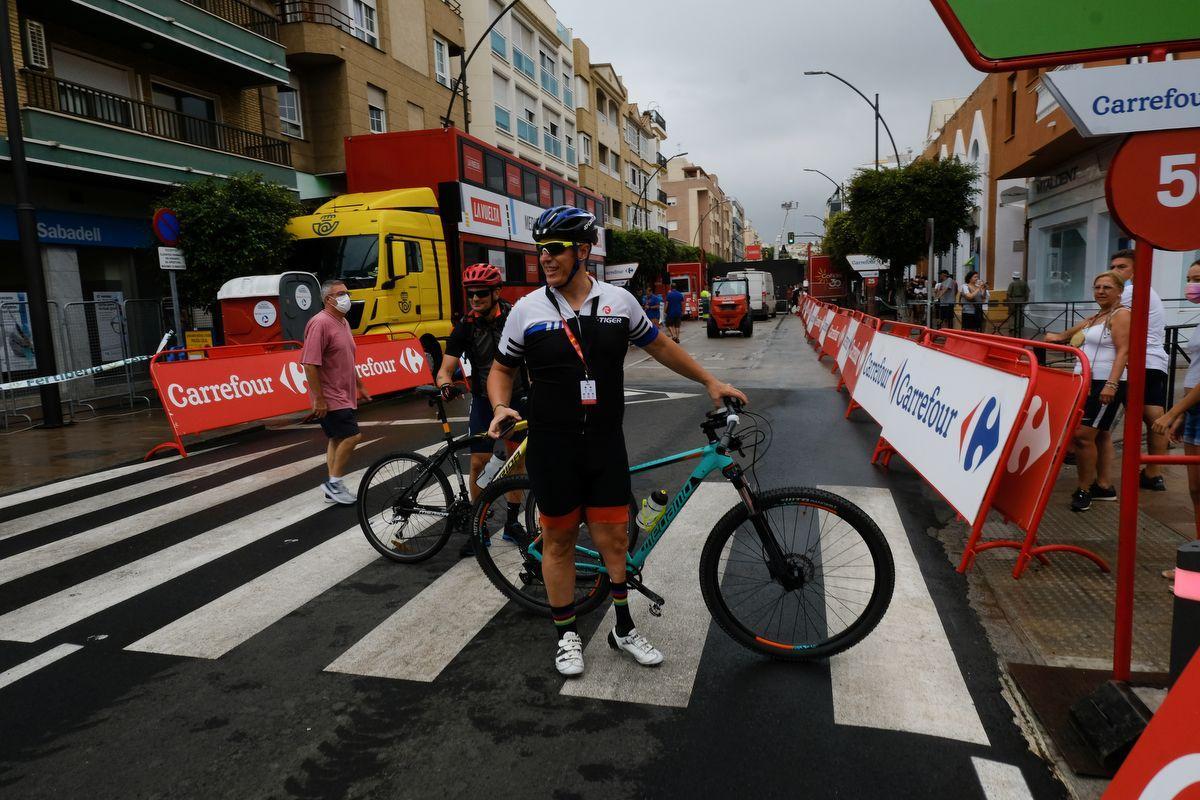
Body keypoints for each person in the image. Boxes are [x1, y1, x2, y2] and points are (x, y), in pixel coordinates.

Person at [486, 205, 748, 677]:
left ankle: (623, 628)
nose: (545, 258)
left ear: (583, 251)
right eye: (540, 250)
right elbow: (502, 369)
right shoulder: (527, 310)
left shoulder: (618, 302)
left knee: (613, 539)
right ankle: (567, 633)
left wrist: (710, 381)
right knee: (559, 540)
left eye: (555, 249)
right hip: (552, 445)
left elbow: (660, 346)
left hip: (604, 442)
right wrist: (501, 405)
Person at [436, 263, 527, 557]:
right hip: (484, 402)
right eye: (471, 294)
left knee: (516, 461)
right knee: (478, 463)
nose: (475, 299)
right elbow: (444, 370)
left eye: (482, 293)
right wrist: (445, 385)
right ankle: (480, 527)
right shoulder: (466, 326)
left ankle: (512, 523)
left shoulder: (515, 317)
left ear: (497, 292)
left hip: (517, 399)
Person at [1046, 271, 1130, 512]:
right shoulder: (1098, 316)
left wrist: (1111, 384)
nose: (1101, 291)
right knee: (1099, 435)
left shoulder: (1122, 314)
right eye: (1097, 287)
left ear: (1119, 291)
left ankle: (1084, 489)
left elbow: (1123, 351)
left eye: (1107, 287)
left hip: (1104, 382)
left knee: (1083, 436)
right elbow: (1068, 335)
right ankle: (1103, 486)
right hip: (1085, 381)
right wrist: (1057, 337)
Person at [1151, 259, 1200, 579]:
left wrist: (1173, 412)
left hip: (1193, 406)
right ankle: (1197, 559)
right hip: (1194, 408)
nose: (1192, 286)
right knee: (1196, 490)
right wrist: (1184, 413)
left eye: (1198, 279)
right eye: (1190, 278)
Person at [301, 279, 370, 505]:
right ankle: (334, 484)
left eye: (346, 293)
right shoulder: (320, 323)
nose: (346, 297)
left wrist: (359, 384)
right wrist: (319, 399)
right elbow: (309, 364)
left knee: (336, 438)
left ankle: (332, 487)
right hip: (330, 396)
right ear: (328, 299)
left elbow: (346, 358)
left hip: (343, 393)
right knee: (352, 436)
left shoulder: (343, 322)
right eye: (340, 294)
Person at [1108, 248, 1170, 491]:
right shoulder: (1147, 291)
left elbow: (1103, 316)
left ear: (1136, 271)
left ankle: (1103, 475)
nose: (1115, 271)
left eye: (1121, 267)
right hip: (1155, 361)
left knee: (1109, 418)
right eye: (1113, 267)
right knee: (1154, 417)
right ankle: (1154, 473)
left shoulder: (1129, 292)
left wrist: (1066, 334)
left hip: (1137, 362)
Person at [1005, 270, 1030, 336]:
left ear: (1013, 277)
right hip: (1022, 300)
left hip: (1013, 300)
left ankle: (1012, 327)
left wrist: (1008, 302)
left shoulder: (1012, 284)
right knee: (1020, 314)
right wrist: (1026, 300)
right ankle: (1018, 326)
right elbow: (1027, 292)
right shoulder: (1024, 283)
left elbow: (1008, 294)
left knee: (1012, 314)